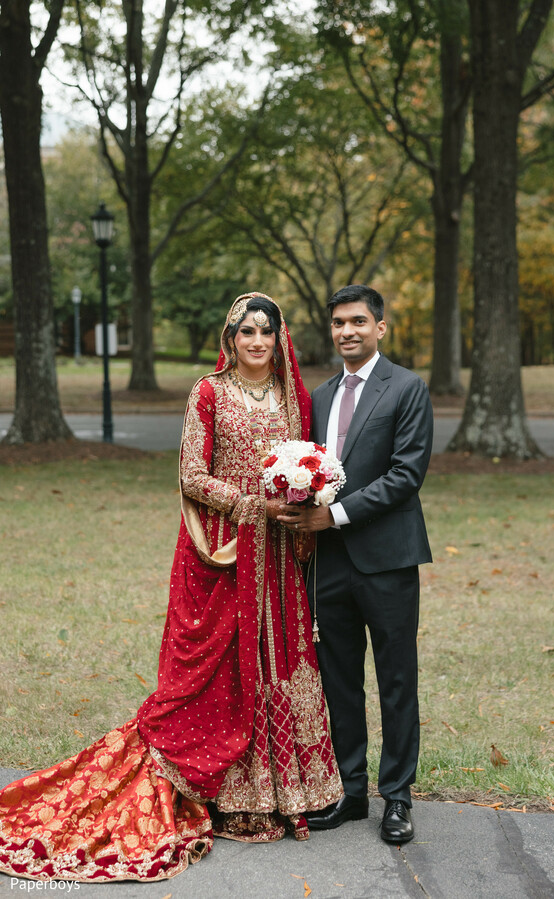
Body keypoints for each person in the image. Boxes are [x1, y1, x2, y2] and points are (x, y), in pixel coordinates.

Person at [0, 293, 342, 883]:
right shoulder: (207, 393)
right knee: (216, 667)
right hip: (222, 549)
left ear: (279, 337)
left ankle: (285, 792)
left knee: (276, 659)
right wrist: (249, 503)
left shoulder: (296, 396)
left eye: (266, 331)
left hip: (280, 553)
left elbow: (306, 463)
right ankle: (226, 791)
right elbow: (190, 473)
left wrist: (299, 497)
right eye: (246, 332)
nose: (257, 341)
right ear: (230, 338)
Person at [278, 284, 433, 844]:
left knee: (396, 680)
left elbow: (405, 475)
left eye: (359, 322)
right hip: (329, 565)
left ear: (380, 327)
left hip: (388, 560)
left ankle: (397, 797)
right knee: (339, 679)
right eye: (339, 323)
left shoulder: (407, 388)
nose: (348, 331)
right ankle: (352, 790)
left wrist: (334, 516)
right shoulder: (316, 398)